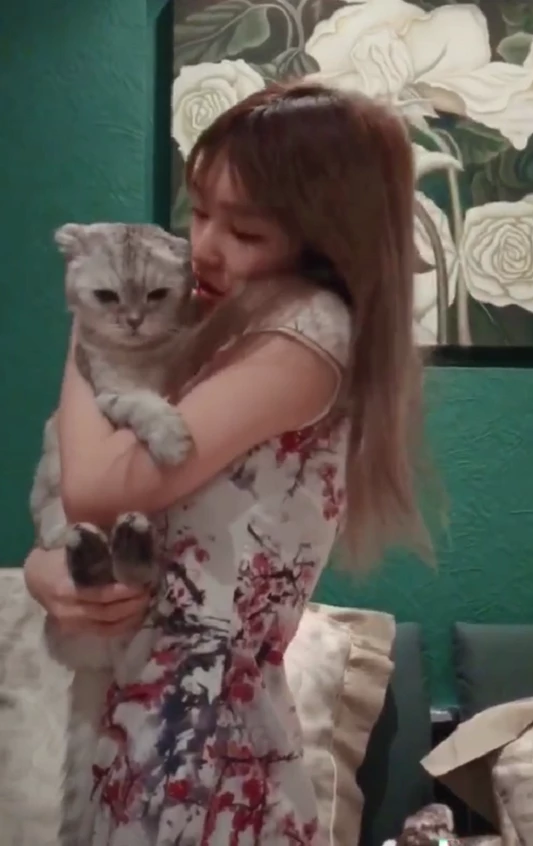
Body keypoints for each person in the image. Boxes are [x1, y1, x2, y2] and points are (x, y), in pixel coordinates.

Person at [24, 82, 428, 844]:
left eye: (243, 231)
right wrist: (51, 570)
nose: (203, 247)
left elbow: (95, 485)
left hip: (201, 745)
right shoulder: (229, 322)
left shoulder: (306, 330)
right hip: (149, 721)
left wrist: (90, 319)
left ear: (324, 242)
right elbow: (120, 502)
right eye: (200, 211)